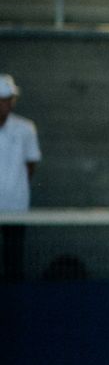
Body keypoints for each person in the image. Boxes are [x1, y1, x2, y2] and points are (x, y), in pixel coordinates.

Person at [0, 73, 40, 283]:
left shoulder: (26, 129)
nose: (4, 105)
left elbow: (31, 163)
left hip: (16, 206)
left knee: (14, 263)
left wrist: (16, 189)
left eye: (8, 99)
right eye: (1, 100)